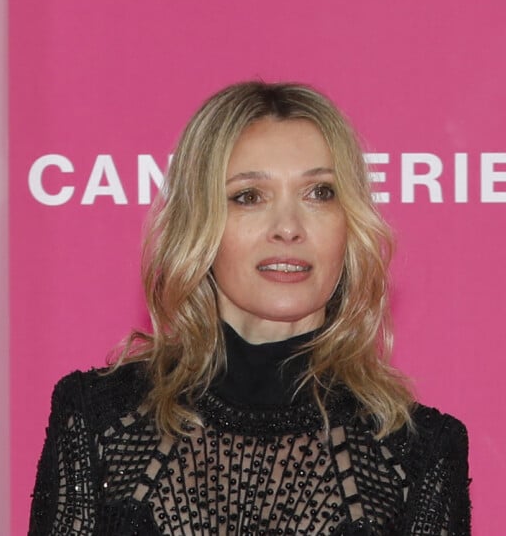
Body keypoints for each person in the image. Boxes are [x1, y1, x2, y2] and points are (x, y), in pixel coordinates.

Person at [29, 82, 471, 535]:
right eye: (248, 196)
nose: (288, 228)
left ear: (350, 224)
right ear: (201, 223)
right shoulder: (101, 419)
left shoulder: (418, 452)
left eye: (320, 193)